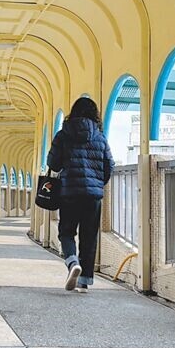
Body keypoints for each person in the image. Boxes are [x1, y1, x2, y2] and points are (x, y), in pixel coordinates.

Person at [47, 97, 115, 292]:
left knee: (66, 232)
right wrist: (98, 183)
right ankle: (84, 281)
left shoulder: (63, 135)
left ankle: (72, 263)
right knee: (89, 236)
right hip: (93, 196)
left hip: (69, 192)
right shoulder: (100, 137)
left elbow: (53, 164)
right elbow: (109, 165)